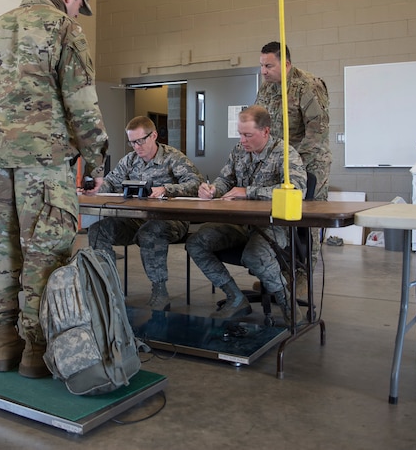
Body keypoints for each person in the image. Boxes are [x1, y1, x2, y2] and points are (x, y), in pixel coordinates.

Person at [0, 0, 109, 378]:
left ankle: (1, 343)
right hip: (44, 169)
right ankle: (35, 350)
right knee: (44, 252)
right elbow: (82, 106)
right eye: (79, 6)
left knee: (0, 253)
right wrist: (97, 162)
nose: (78, 14)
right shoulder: (64, 30)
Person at [185, 105, 307, 322]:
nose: (242, 140)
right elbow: (225, 179)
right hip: (240, 224)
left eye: (248, 135)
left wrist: (248, 191)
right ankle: (235, 297)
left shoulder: (285, 154)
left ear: (266, 131)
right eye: (240, 134)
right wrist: (213, 189)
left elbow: (298, 190)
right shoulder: (239, 151)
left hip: (274, 226)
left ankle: (287, 303)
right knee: (196, 242)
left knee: (254, 254)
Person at [84, 116, 204, 312]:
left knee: (150, 232)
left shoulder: (172, 158)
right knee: (98, 231)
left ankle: (160, 290)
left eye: (140, 141)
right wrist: (94, 189)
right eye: (132, 142)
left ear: (154, 135)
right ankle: (108, 287)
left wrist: (166, 189)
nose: (136, 147)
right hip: (136, 219)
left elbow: (196, 183)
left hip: (170, 221)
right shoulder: (130, 160)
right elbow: (111, 182)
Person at [254, 41, 331, 296]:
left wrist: (293, 164)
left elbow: (316, 133)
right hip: (279, 163)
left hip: (309, 164)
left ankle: (303, 275)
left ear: (285, 64)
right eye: (262, 65)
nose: (264, 71)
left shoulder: (308, 86)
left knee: (305, 221)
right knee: (278, 220)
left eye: (269, 65)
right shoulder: (266, 89)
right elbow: (261, 124)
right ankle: (280, 273)